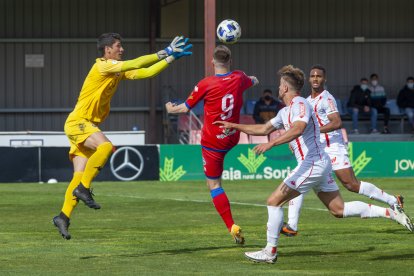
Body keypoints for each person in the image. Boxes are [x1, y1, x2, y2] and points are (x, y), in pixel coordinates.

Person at [214, 65, 413, 264]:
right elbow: (263, 127)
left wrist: (272, 143)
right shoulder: (285, 111)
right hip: (317, 164)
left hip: (313, 163)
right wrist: (234, 126)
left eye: (280, 84)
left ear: (284, 88)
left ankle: (270, 251)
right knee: (338, 210)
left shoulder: (300, 103)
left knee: (273, 201)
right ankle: (389, 212)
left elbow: (299, 128)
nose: (278, 87)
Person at [52, 33, 193, 240]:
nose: (122, 49)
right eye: (118, 46)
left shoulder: (116, 71)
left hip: (84, 124)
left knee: (78, 174)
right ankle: (84, 189)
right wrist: (165, 51)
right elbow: (135, 62)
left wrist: (170, 59)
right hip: (79, 122)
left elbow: (145, 72)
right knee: (106, 147)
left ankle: (63, 216)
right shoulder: (102, 66)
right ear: (107, 49)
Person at [281, 65, 406, 237]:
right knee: (299, 180)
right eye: (313, 76)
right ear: (309, 79)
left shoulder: (327, 98)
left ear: (324, 79)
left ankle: (393, 200)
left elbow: (336, 122)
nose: (315, 78)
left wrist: (316, 131)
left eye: (319, 76)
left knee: (351, 185)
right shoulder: (307, 101)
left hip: (333, 147)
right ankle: (292, 225)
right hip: (316, 150)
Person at [165, 45, 258, 244]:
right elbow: (253, 80)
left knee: (214, 184)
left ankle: (232, 226)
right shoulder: (240, 78)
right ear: (230, 61)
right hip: (232, 136)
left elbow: (184, 108)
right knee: (217, 178)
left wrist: (170, 109)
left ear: (212, 62)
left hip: (212, 142)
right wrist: (252, 79)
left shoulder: (205, 84)